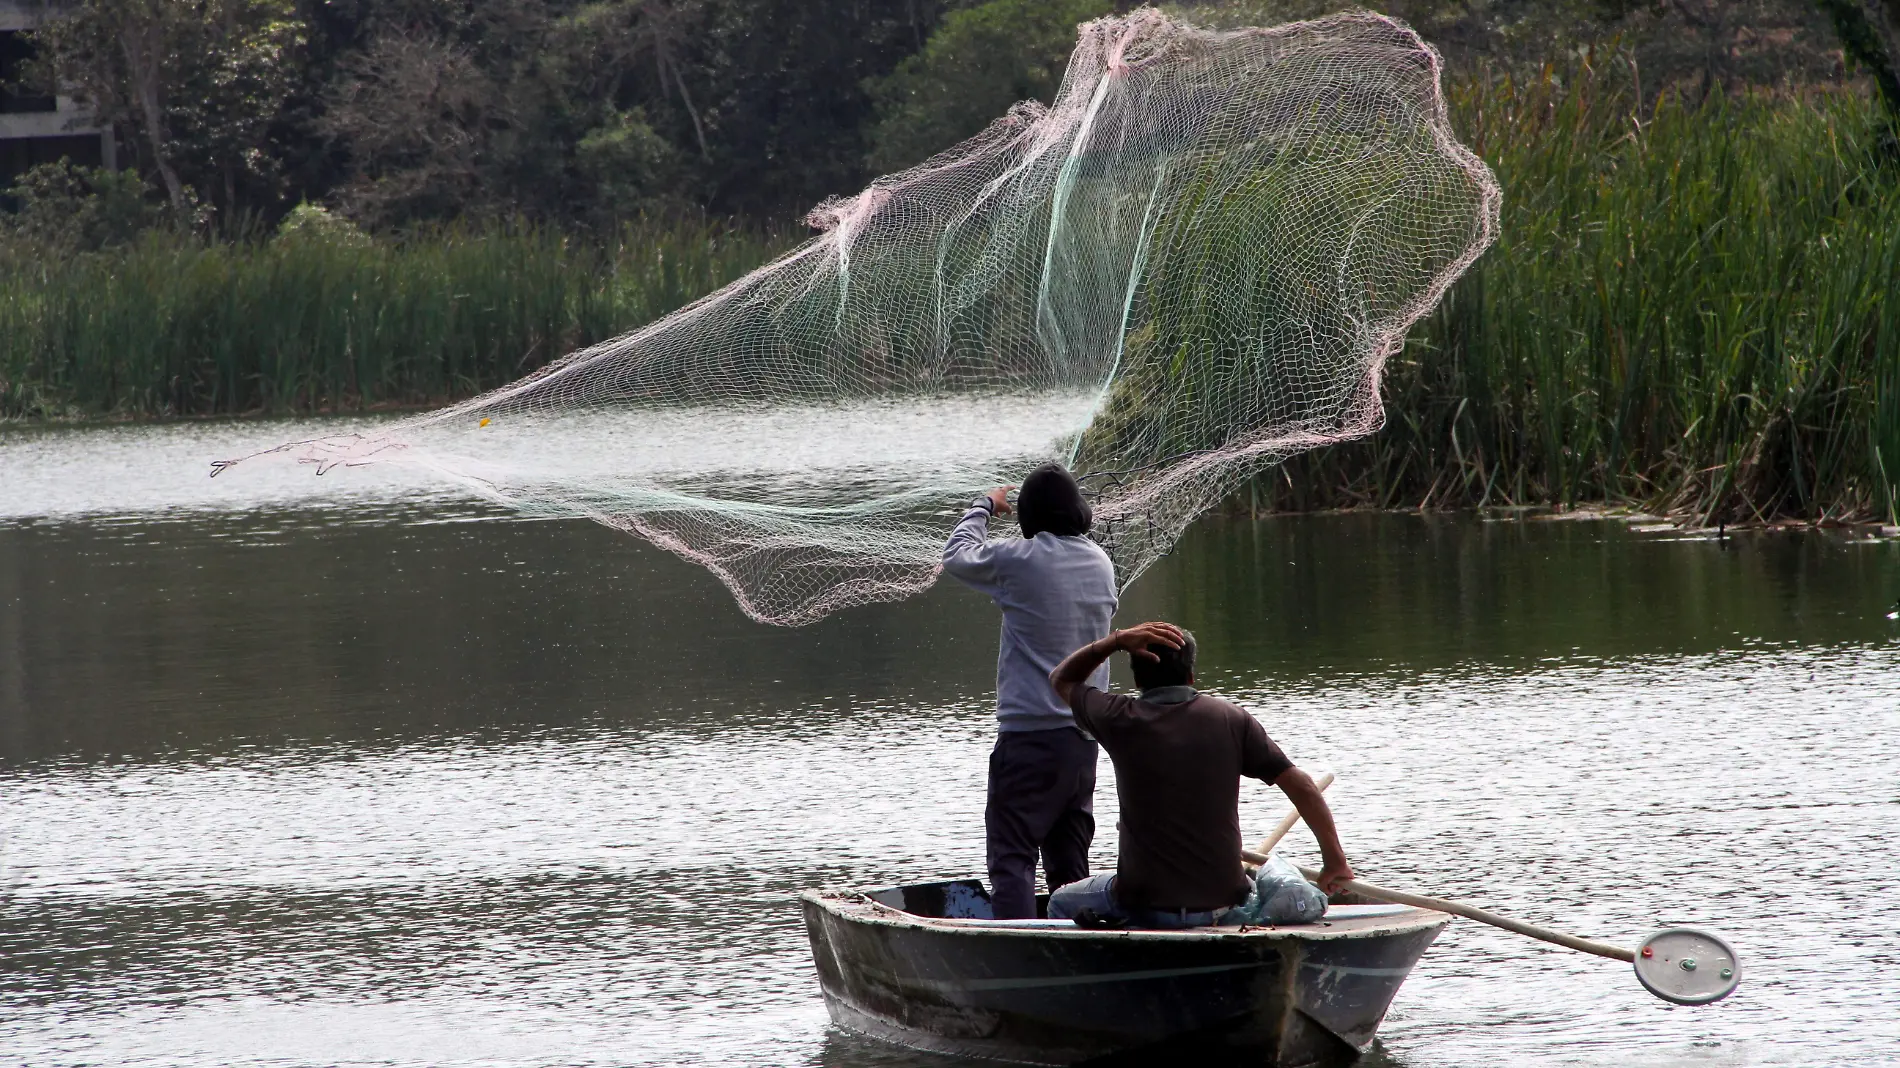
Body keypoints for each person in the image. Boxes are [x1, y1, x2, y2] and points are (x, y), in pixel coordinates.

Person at [1044, 621, 1353, 929]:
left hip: (1145, 904)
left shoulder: (1116, 717)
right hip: (1222, 904)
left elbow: (1062, 678)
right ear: (1191, 676)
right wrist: (1334, 859)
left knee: (1059, 900)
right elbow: (1302, 785)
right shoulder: (1231, 719)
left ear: (1137, 679)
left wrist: (1116, 641)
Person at [941, 463, 1117, 919]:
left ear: (1028, 516)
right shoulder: (1100, 562)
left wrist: (985, 505)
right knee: (1070, 868)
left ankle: (1015, 951)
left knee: (1012, 858)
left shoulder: (1019, 559)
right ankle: (1078, 953)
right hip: (1084, 740)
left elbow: (957, 555)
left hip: (1029, 742)